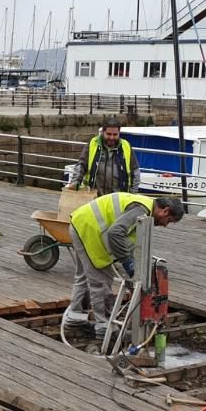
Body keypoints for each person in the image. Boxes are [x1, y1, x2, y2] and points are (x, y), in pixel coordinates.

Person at [65, 193, 184, 336]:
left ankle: (75, 320)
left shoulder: (143, 206)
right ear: (165, 210)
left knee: (84, 277)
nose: (165, 225)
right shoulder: (141, 210)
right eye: (168, 220)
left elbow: (125, 236)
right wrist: (127, 261)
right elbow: (115, 233)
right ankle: (105, 328)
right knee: (101, 283)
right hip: (90, 230)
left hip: (81, 224)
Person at [73, 117, 140, 194]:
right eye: (108, 134)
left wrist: (133, 193)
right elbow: (81, 165)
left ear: (119, 133)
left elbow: (135, 171)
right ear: (102, 132)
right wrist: (75, 182)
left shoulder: (126, 146)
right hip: (94, 196)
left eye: (115, 134)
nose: (111, 137)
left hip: (118, 198)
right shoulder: (92, 144)